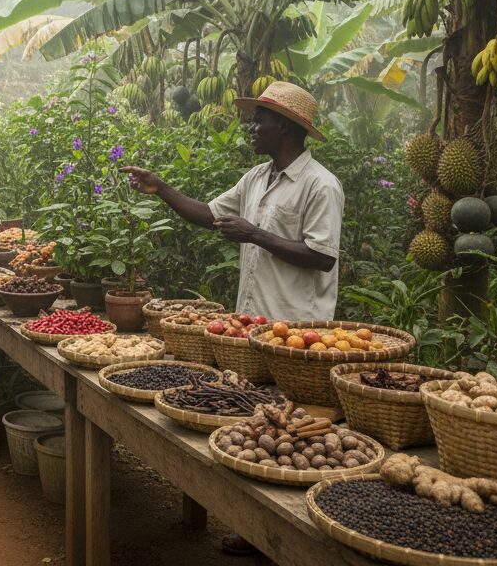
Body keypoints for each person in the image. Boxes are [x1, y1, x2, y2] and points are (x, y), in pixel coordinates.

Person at [123, 80, 343, 556]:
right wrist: (161, 188)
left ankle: (291, 539)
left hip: (297, 332)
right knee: (258, 426)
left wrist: (255, 233)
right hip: (251, 326)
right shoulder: (257, 179)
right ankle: (255, 528)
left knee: (293, 431)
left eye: (259, 120)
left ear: (284, 127)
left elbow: (322, 256)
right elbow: (209, 215)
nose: (251, 127)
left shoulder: (320, 185)